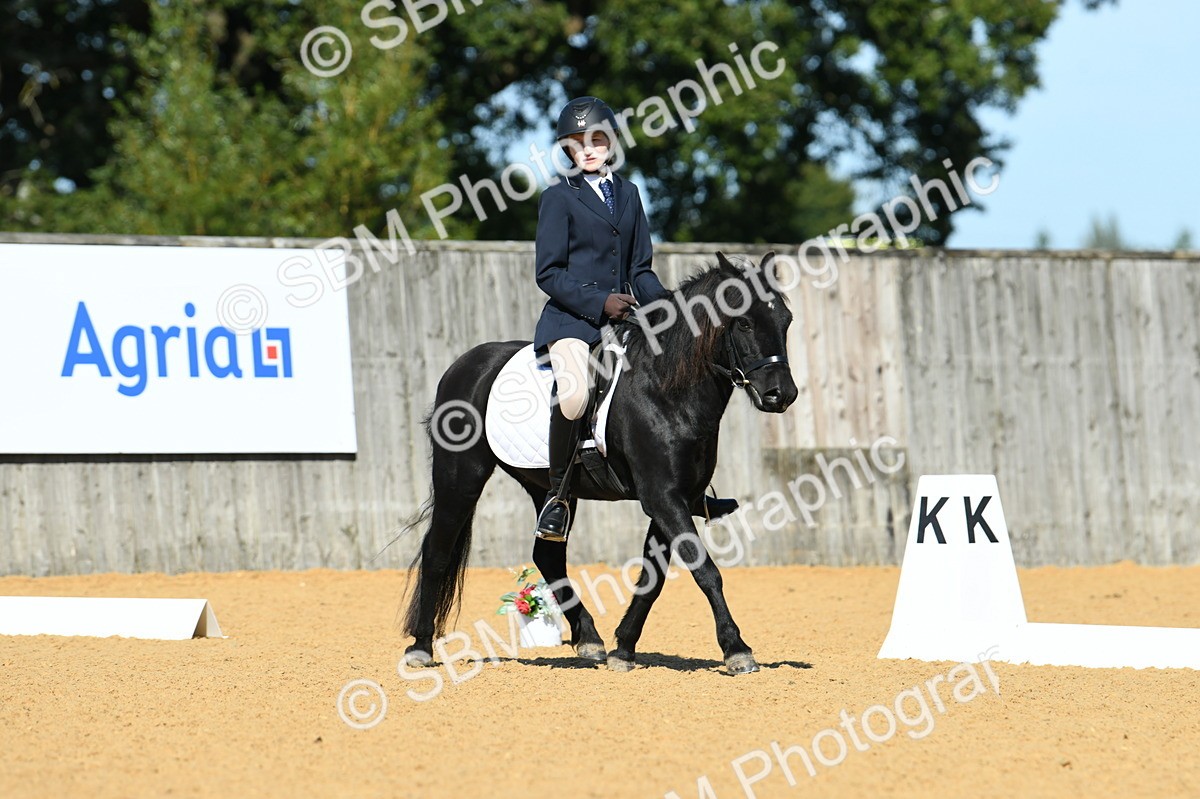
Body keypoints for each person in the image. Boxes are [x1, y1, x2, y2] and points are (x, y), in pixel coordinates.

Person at [531, 96, 735, 542]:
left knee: (675, 378)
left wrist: (666, 309)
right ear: (567, 148)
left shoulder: (629, 194)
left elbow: (640, 269)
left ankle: (693, 488)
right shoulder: (558, 197)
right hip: (572, 323)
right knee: (574, 394)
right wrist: (601, 301)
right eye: (577, 142)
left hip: (626, 320)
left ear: (611, 142)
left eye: (597, 139)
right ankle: (558, 497)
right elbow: (548, 273)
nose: (588, 148)